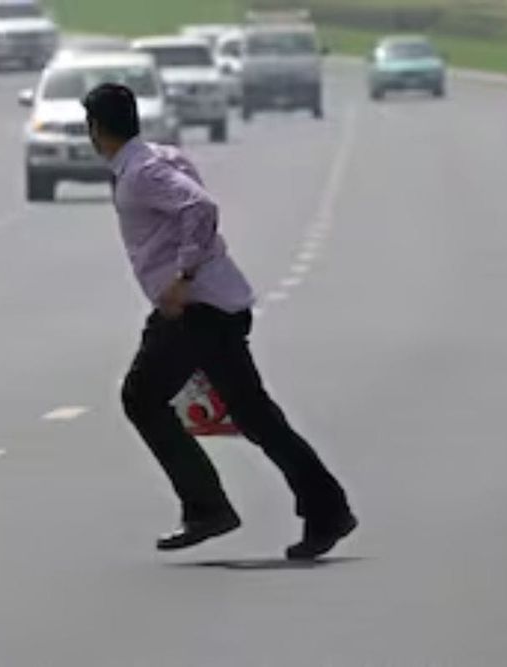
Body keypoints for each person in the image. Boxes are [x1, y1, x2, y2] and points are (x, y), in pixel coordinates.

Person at [83, 83, 356, 558]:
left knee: (142, 397)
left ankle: (209, 507)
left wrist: (183, 274)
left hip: (197, 311)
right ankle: (325, 508)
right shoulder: (157, 157)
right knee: (255, 416)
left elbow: (200, 207)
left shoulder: (141, 173)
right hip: (207, 306)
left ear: (95, 130)